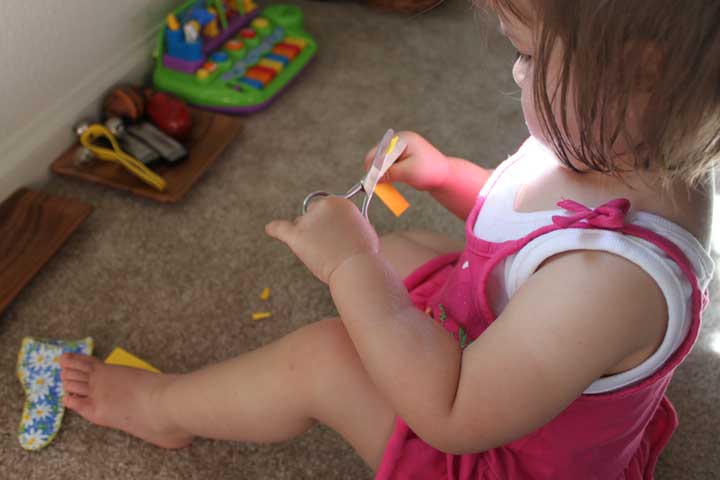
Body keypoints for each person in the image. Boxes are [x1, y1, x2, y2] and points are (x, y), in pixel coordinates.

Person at [59, 0, 717, 477]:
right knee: (407, 253)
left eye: (529, 54)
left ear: (639, 78)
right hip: (526, 368)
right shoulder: (621, 145)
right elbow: (530, 218)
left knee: (323, 356)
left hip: (495, 455)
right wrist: (449, 178)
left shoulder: (606, 283)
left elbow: (452, 414)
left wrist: (350, 268)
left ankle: (163, 407)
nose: (516, 74)